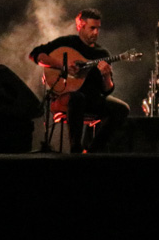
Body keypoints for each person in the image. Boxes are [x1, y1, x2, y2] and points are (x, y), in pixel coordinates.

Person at [29, 8, 129, 153]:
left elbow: (107, 90)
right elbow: (36, 54)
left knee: (122, 108)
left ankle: (94, 150)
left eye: (98, 29)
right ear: (80, 26)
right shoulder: (67, 43)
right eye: (92, 28)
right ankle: (76, 149)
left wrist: (106, 76)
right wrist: (63, 66)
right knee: (77, 98)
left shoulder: (102, 54)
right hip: (65, 98)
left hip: (92, 99)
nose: (96, 32)